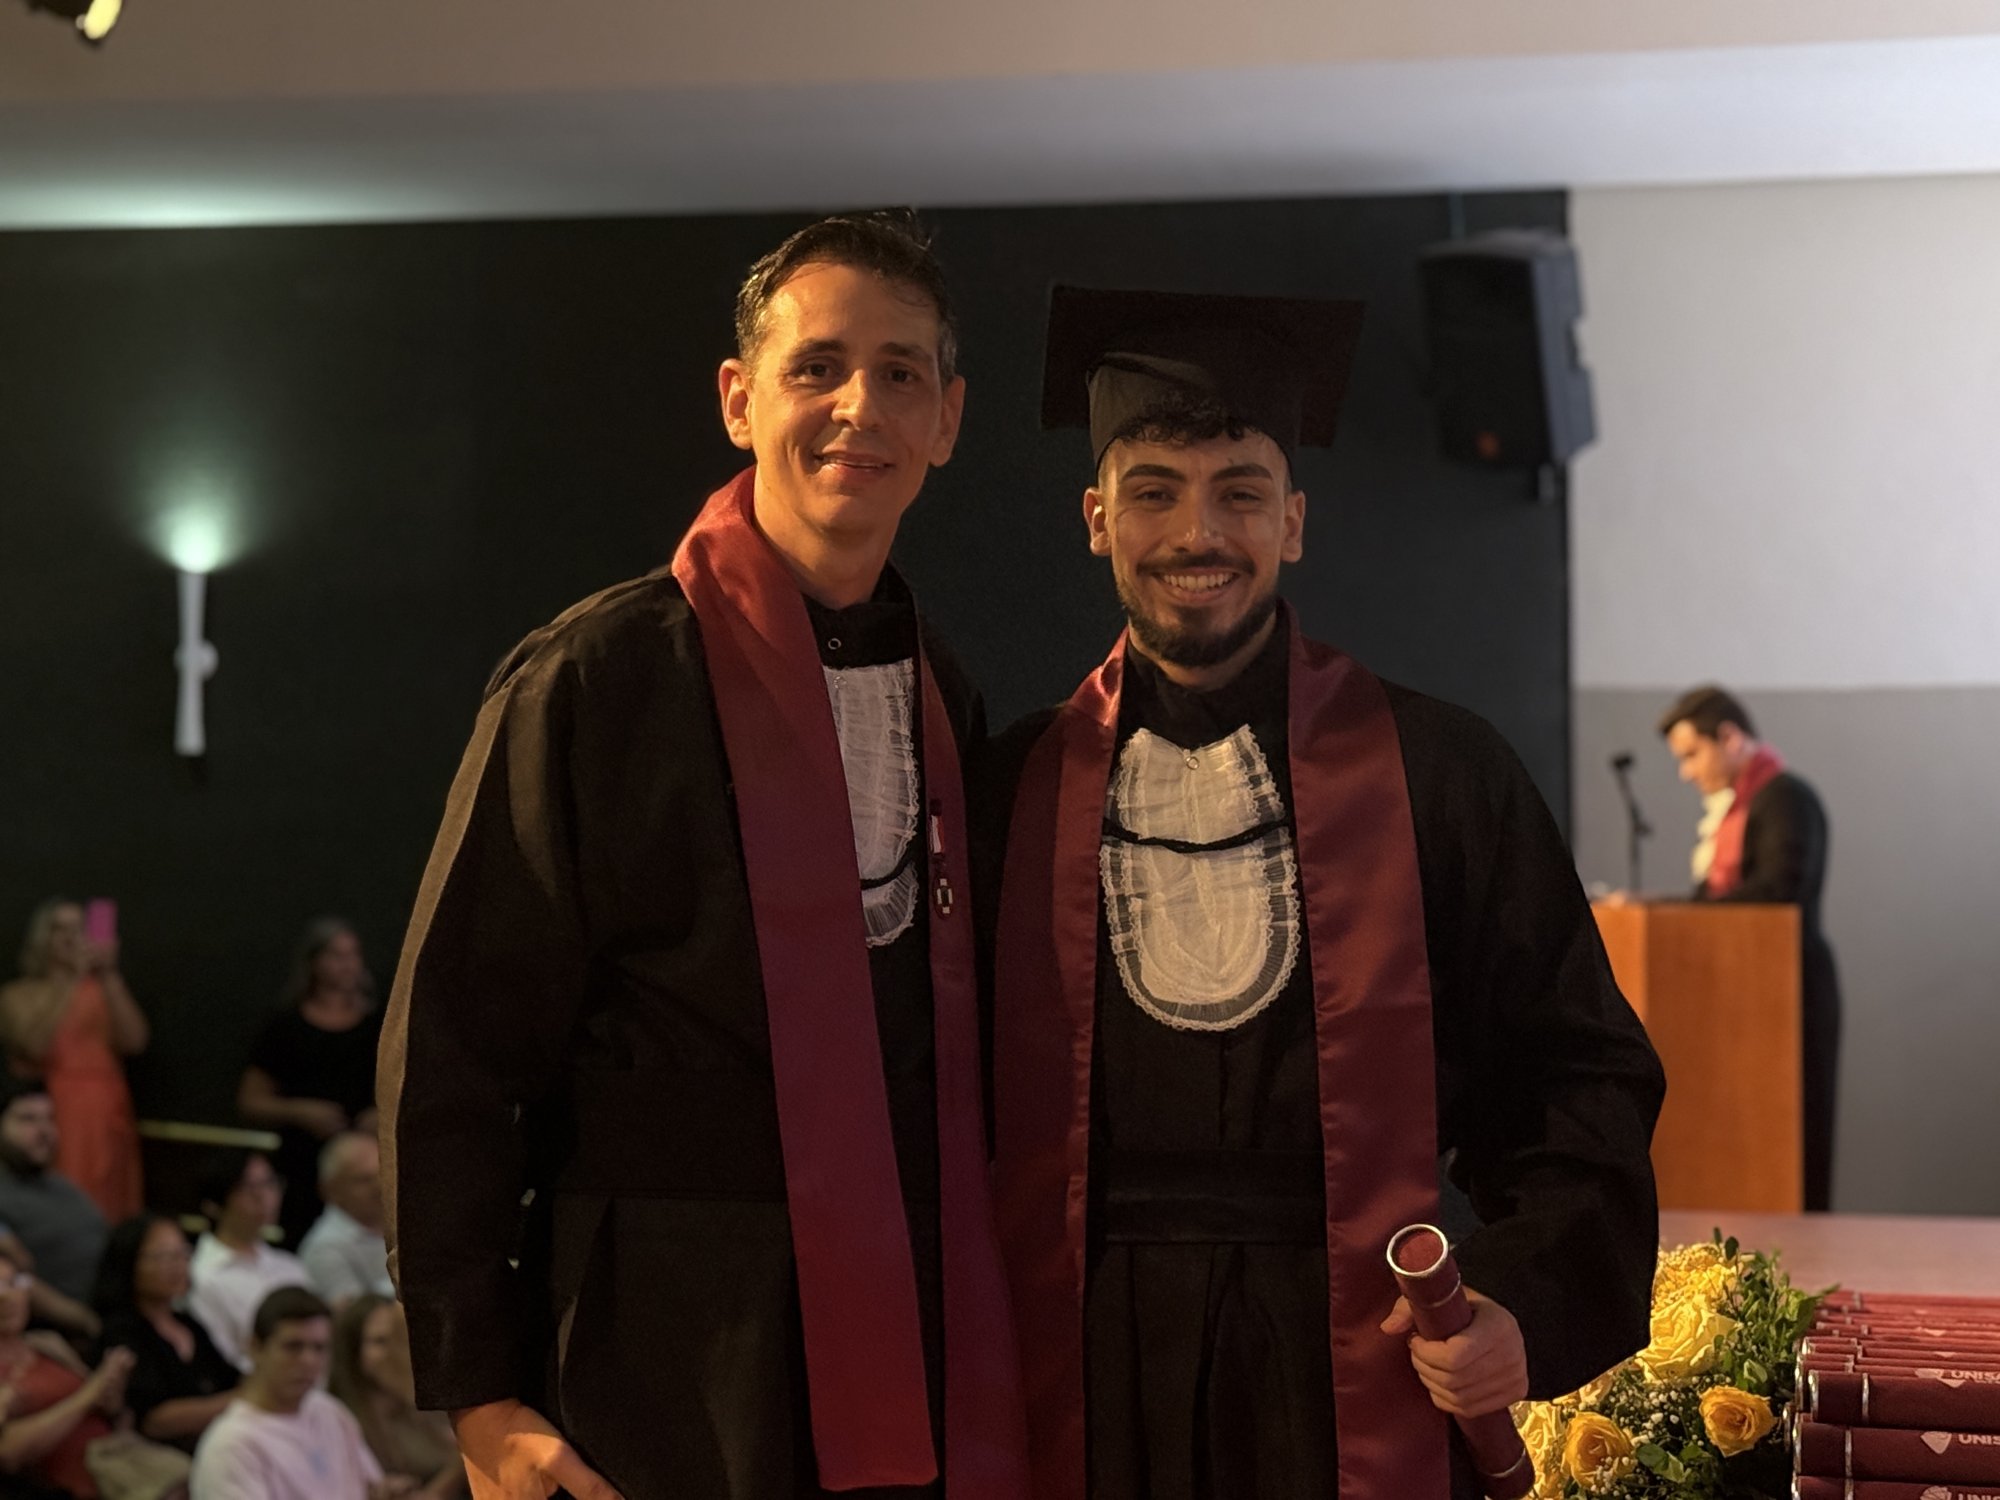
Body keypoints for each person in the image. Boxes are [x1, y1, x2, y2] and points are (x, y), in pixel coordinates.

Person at [379, 211, 1027, 1500]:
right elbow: (452, 1047)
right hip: (654, 1333)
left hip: (898, 1323)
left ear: (947, 420)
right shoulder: (597, 676)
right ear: (739, 400)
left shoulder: (941, 695)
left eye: (899, 373)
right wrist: (479, 1393)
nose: (859, 406)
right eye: (816, 367)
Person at [989, 287, 1667, 1500]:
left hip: (1349, 1357)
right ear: (1095, 519)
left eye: (1240, 492)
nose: (1197, 531)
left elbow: (1574, 1071)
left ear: (1292, 522)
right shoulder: (1007, 790)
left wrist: (1519, 1295)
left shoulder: (1438, 773)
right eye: (1153, 491)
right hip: (1085, 1360)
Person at [1657, 684, 1841, 1211]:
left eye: (1692, 754)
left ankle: (1805, 1252)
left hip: (1792, 990)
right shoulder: (1734, 810)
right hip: (1742, 998)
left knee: (1796, 1139)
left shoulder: (1786, 799)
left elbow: (1779, 889)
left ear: (1731, 738)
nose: (1686, 772)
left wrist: (1686, 911)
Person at [238, 919, 383, 1247]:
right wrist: (300, 1112)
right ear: (314, 962)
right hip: (302, 1162)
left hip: (364, 1164)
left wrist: (380, 1115)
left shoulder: (379, 1024)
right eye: (337, 955)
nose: (347, 965)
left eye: (353, 955)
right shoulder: (285, 1025)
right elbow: (251, 1100)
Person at [0, 900, 147, 1222]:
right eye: (59, 929)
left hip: (105, 1111)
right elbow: (33, 1044)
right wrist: (71, 982)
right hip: (54, 1111)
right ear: (42, 938)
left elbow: (135, 1041)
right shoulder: (18, 994)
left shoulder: (101, 990)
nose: (70, 938)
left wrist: (108, 975)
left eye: (78, 929)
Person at [188, 1285, 393, 1500]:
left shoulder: (329, 1410)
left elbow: (371, 1487)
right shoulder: (231, 1447)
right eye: (293, 1347)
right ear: (255, 1348)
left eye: (319, 1348)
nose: (309, 1360)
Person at [91, 1213, 240, 1452]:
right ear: (130, 1263)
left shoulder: (189, 1324)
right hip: (162, 1456)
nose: (177, 1265)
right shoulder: (121, 1332)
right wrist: (243, 1400)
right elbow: (153, 1421)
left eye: (182, 1253)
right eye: (162, 1256)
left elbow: (229, 1379)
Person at [0, 1238, 134, 1499]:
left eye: (15, 1282)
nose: (6, 1297)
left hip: (119, 1458)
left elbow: (109, 1408)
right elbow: (8, 1454)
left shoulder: (48, 1344)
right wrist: (90, 1394)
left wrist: (110, 1393)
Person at [329, 1294, 467, 1498]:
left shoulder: (425, 1391)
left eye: (401, 1338)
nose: (395, 1351)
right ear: (353, 1352)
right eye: (380, 1342)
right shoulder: (343, 1420)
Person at [186, 1151, 309, 1371]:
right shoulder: (201, 1275)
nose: (263, 1196)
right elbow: (224, 1361)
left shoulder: (291, 1267)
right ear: (213, 1205)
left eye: (269, 1183)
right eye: (247, 1187)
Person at [0, 1075, 107, 1314]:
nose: (44, 1130)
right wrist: (84, 1322)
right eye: (28, 1119)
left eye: (49, 1119)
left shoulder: (63, 1186)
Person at [298, 1133, 392, 1308]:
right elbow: (353, 1316)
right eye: (364, 1180)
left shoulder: (406, 1226)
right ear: (330, 1189)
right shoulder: (324, 1248)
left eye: (383, 1174)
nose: (379, 1186)